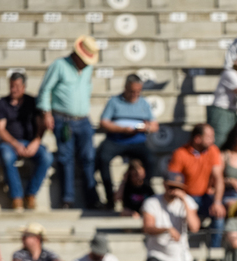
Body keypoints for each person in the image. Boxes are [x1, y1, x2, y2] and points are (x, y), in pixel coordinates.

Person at [38, 37, 100, 209]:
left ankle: (92, 198)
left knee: (88, 158)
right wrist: (47, 113)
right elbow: (45, 90)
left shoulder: (87, 69)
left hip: (83, 119)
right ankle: (67, 198)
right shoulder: (59, 65)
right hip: (63, 119)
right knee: (66, 159)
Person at [96, 74, 158, 206]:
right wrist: (122, 129)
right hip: (116, 140)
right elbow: (104, 122)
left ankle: (145, 194)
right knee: (102, 158)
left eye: (138, 91)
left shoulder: (144, 103)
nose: (135, 94)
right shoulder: (114, 101)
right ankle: (110, 197)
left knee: (151, 160)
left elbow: (154, 126)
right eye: (132, 91)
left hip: (137, 141)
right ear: (125, 88)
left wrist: (145, 127)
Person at [0, 72, 53, 212]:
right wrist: (15, 144)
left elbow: (41, 126)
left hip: (31, 142)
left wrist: (36, 142)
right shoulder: (2, 103)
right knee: (7, 156)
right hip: (10, 143)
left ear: (23, 87)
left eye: (16, 86)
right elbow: (0, 129)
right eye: (11, 86)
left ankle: (31, 194)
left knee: (47, 157)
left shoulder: (33, 102)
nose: (13, 89)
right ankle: (17, 197)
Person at [168, 123, 225, 246]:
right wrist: (182, 197)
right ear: (197, 138)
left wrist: (217, 202)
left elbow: (218, 178)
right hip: (186, 196)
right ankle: (185, 250)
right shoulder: (180, 153)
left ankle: (215, 254)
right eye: (209, 136)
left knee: (219, 214)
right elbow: (173, 180)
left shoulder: (213, 150)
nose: (213, 140)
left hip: (205, 196)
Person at [142, 172, 201, 261]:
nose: (174, 191)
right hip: (158, 256)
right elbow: (147, 228)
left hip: (182, 257)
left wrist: (184, 200)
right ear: (164, 185)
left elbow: (194, 228)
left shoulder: (188, 201)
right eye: (171, 187)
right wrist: (167, 229)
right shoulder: (152, 202)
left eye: (178, 188)